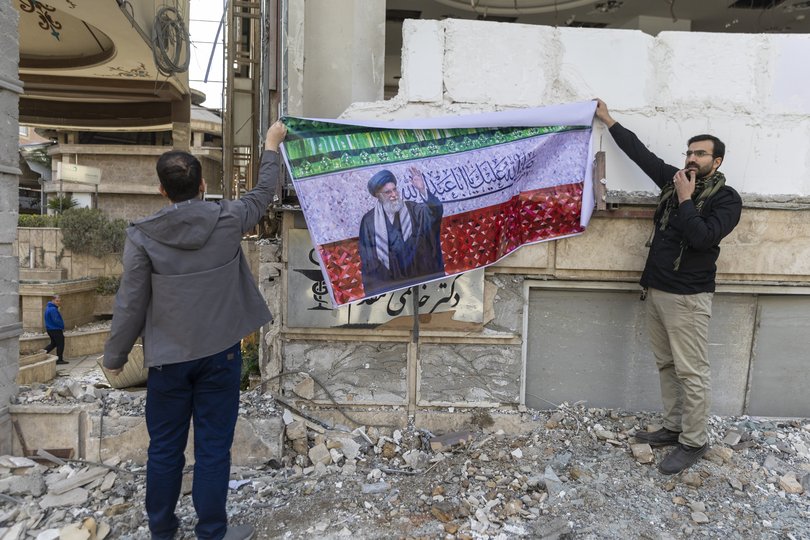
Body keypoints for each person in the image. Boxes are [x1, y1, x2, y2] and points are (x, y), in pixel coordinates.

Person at [102, 121, 287, 540]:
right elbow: (262, 195)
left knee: (164, 450)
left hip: (167, 362)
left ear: (162, 190)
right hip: (220, 356)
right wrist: (270, 144)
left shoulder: (142, 236)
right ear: (203, 184)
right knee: (213, 449)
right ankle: (211, 531)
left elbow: (130, 302)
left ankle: (163, 531)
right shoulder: (229, 219)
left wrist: (114, 359)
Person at [594, 99, 742, 475]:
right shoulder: (673, 179)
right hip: (658, 289)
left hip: (688, 297)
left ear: (717, 161)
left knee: (692, 372)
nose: (692, 158)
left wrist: (686, 199)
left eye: (701, 153)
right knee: (666, 365)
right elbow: (639, 153)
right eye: (689, 152)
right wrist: (609, 119)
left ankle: (693, 441)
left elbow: (702, 238)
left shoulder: (726, 199)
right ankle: (674, 427)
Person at [358, 167, 445, 296]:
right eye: (388, 192)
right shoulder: (369, 221)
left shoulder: (413, 209)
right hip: (390, 283)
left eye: (395, 189)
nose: (394, 195)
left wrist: (422, 189)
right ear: (378, 196)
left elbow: (434, 213)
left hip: (418, 277)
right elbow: (368, 258)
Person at [43, 294, 67, 365]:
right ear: (53, 300)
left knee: (53, 344)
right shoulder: (53, 309)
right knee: (60, 344)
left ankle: (42, 353)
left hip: (50, 329)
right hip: (55, 329)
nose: (58, 302)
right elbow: (56, 320)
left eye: (59, 301)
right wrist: (62, 326)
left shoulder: (49, 307)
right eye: (57, 301)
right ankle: (59, 359)